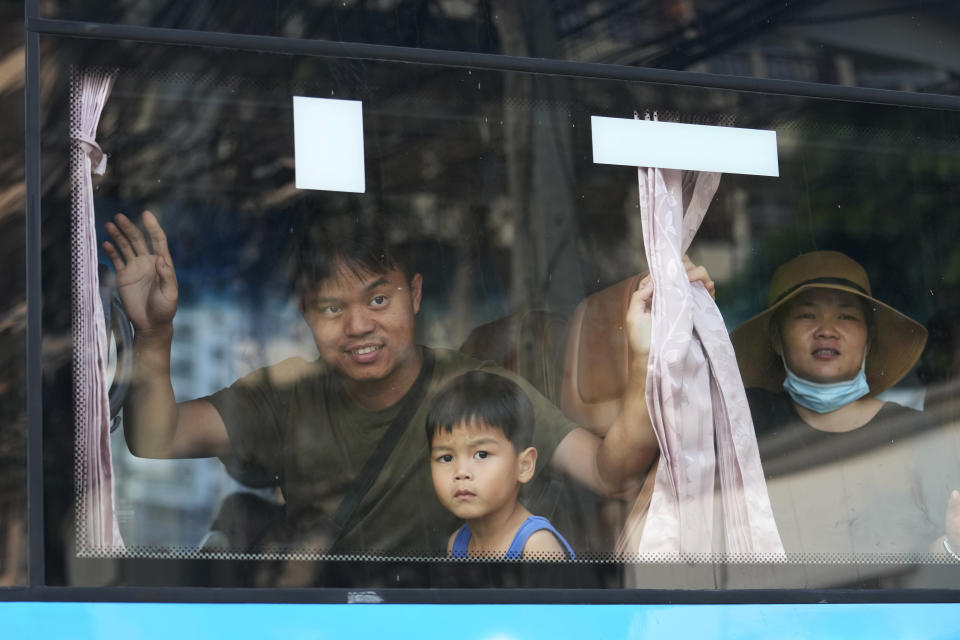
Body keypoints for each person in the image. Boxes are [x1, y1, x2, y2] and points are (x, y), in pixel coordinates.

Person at [102, 210, 706, 557]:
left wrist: (645, 355)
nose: (360, 325)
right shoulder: (284, 397)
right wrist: (153, 335)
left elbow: (610, 471)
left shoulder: (478, 392)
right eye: (332, 308)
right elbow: (157, 439)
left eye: (379, 298)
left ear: (414, 295)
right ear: (306, 317)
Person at [730, 250, 960, 560]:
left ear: (868, 340)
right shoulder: (742, 422)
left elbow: (942, 557)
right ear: (776, 337)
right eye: (807, 315)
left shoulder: (915, 434)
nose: (827, 330)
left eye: (846, 316)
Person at [426, 371, 575, 560]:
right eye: (446, 458)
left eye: (481, 454)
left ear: (524, 466)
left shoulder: (536, 546)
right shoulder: (458, 544)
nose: (461, 472)